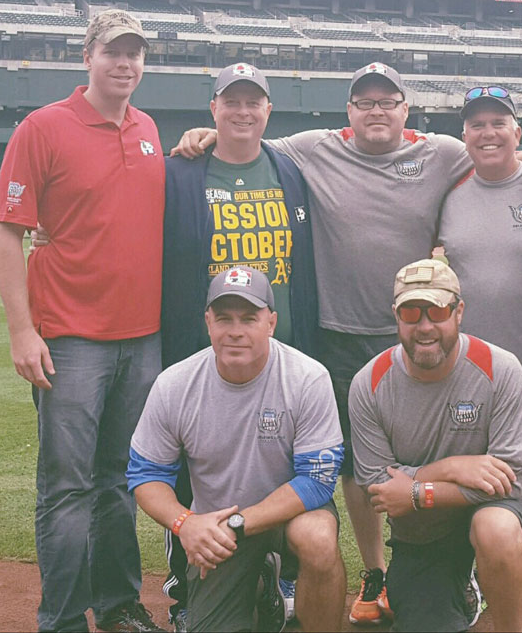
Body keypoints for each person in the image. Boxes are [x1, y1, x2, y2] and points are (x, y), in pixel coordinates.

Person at [173, 61, 522, 624]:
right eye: (365, 103)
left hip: (416, 325)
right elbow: (247, 135)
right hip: (340, 332)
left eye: (388, 102)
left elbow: (493, 148)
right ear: (348, 112)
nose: (377, 112)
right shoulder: (311, 147)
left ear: (407, 110)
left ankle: (454, 556)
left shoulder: (442, 151)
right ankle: (376, 570)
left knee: (427, 446)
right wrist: (208, 134)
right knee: (357, 465)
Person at [0, 10, 165, 632]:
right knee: (66, 490)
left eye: (136, 53)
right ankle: (62, 619)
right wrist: (21, 329)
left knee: (120, 483)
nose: (125, 63)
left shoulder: (149, 129)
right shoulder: (45, 127)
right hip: (69, 338)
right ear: (87, 55)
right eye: (114, 51)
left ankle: (118, 605)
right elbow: (7, 232)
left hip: (142, 339)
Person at [160, 62, 318, 631]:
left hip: (283, 346)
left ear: (268, 111)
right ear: (214, 109)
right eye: (232, 102)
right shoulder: (183, 173)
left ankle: (282, 578)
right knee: (199, 468)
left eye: (254, 102)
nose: (243, 112)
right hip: (207, 346)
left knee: (282, 465)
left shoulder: (289, 169)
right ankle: (189, 581)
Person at [127, 266, 346, 633]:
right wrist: (187, 524)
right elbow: (146, 474)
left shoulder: (307, 378)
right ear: (208, 322)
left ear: (272, 323)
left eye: (249, 318)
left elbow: (317, 481)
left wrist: (239, 524)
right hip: (215, 529)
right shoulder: (175, 384)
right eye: (224, 318)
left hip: (282, 518)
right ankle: (263, 590)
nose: (235, 331)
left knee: (318, 538)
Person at [436, 85, 522, 633]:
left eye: (499, 122)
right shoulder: (448, 189)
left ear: (518, 131)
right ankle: (469, 578)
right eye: (476, 124)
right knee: (467, 479)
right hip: (464, 373)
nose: (487, 132)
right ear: (463, 135)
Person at [348, 258, 522, 633]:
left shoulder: (500, 368)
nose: (424, 327)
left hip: (484, 501)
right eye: (411, 312)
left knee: (495, 529)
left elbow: (512, 479)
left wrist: (420, 491)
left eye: (437, 311)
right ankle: (462, 584)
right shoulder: (368, 382)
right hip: (422, 523)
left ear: (459, 312)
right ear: (395, 316)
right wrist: (452, 468)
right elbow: (377, 484)